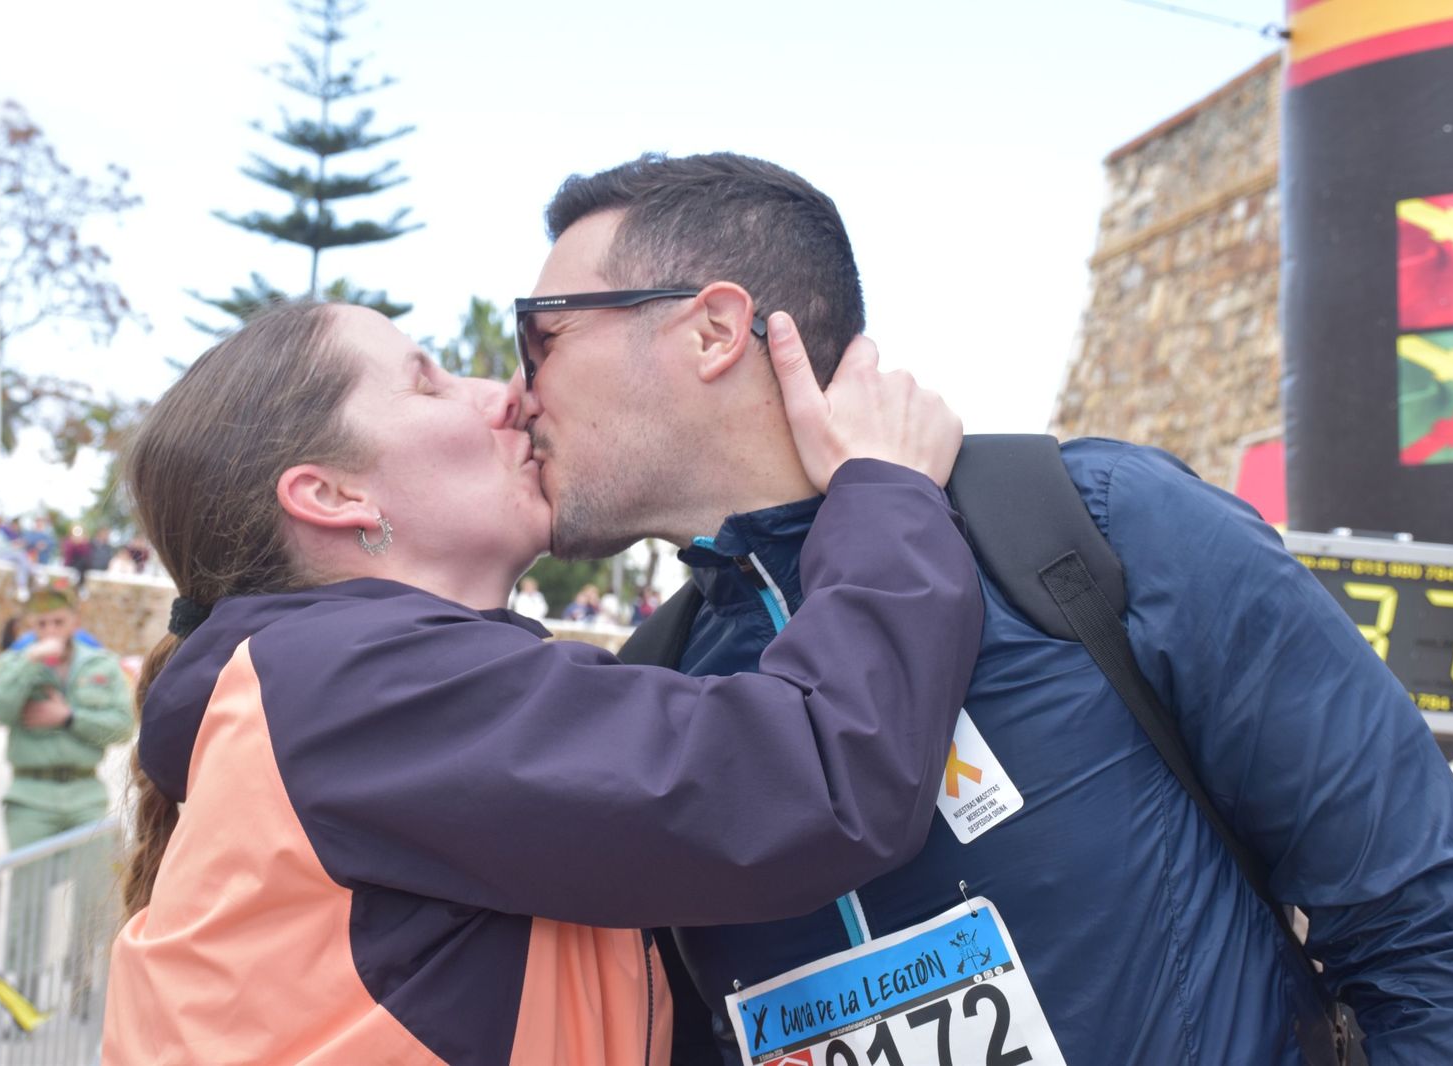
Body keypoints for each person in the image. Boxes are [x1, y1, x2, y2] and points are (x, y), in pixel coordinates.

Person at [508, 151, 1453, 1065]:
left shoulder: (1097, 527)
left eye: (541, 334)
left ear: (715, 331)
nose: (518, 394)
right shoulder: (654, 686)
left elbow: (1425, 933)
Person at [100, 300, 982, 1064]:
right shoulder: (344, 684)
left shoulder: (320, 691)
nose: (505, 395)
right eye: (431, 383)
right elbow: (817, 779)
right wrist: (888, 489)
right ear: (331, 496)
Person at [0, 587, 132, 849]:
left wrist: (69, 718)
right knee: (29, 888)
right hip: (31, 796)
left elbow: (123, 727)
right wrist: (29, 662)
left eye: (58, 622)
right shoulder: (14, 663)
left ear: (75, 622)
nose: (51, 630)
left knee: (94, 886)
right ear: (31, 626)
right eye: (42, 623)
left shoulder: (101, 665)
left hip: (85, 793)